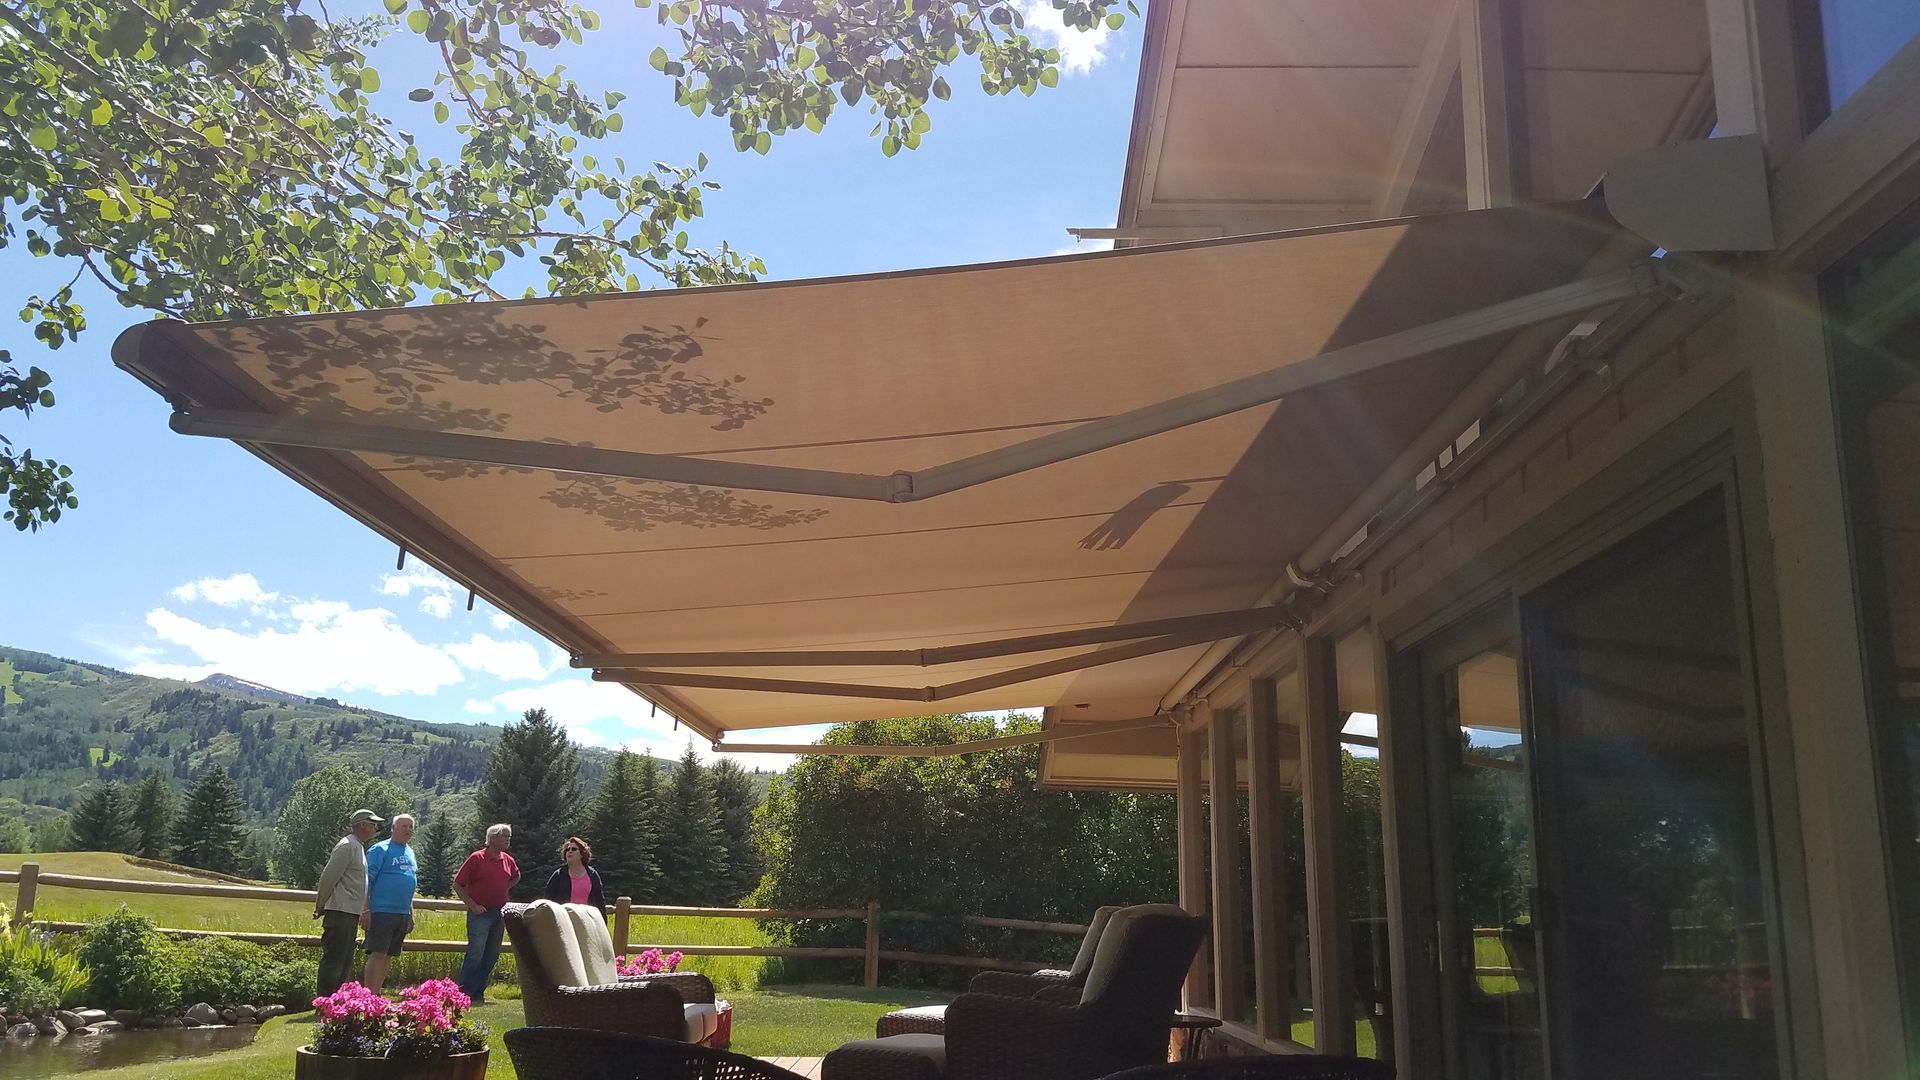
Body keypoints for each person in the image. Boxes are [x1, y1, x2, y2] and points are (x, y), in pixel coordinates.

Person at [313, 808, 381, 997]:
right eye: (373, 824)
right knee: (335, 960)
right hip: (340, 912)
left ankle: (335, 1002)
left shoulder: (357, 846)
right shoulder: (347, 846)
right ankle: (325, 1002)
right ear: (362, 825)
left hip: (349, 913)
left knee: (344, 961)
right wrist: (320, 905)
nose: (376, 828)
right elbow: (328, 877)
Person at [453, 823, 520, 1004]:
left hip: (499, 913)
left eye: (509, 836)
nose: (508, 839)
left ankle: (478, 992)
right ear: (492, 838)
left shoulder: (508, 860)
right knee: (476, 952)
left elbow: (516, 876)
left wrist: (503, 889)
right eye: (504, 836)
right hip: (480, 914)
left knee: (492, 954)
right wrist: (473, 905)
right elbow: (458, 884)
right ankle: (464, 992)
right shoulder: (477, 858)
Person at [360, 812, 418, 993]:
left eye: (411, 827)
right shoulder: (380, 849)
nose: (408, 829)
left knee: (388, 955)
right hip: (381, 911)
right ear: (393, 828)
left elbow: (409, 882)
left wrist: (410, 913)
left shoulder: (410, 852)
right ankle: (368, 996)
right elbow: (366, 881)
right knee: (378, 953)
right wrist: (365, 909)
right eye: (404, 826)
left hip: (401, 912)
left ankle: (376, 994)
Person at [541, 836, 607, 915]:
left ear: (582, 854)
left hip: (587, 918)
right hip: (564, 919)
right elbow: (547, 901)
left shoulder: (592, 875)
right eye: (567, 850)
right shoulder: (558, 875)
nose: (570, 851)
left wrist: (603, 920)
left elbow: (600, 902)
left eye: (574, 849)